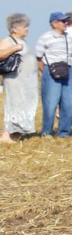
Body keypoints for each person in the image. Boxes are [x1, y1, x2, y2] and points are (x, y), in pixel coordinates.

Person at [34, 12, 72, 138]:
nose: (65, 23)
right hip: (51, 70)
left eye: (66, 21)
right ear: (54, 23)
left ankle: (64, 132)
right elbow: (38, 57)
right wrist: (46, 71)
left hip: (67, 70)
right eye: (63, 21)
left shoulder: (69, 38)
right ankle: (47, 131)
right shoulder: (45, 37)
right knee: (50, 103)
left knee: (69, 103)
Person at [1, 13, 36, 142]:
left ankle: (16, 134)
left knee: (23, 105)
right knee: (13, 105)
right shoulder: (8, 40)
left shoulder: (24, 41)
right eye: (24, 26)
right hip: (14, 80)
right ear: (14, 28)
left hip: (25, 81)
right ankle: (6, 135)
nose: (27, 29)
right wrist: (14, 48)